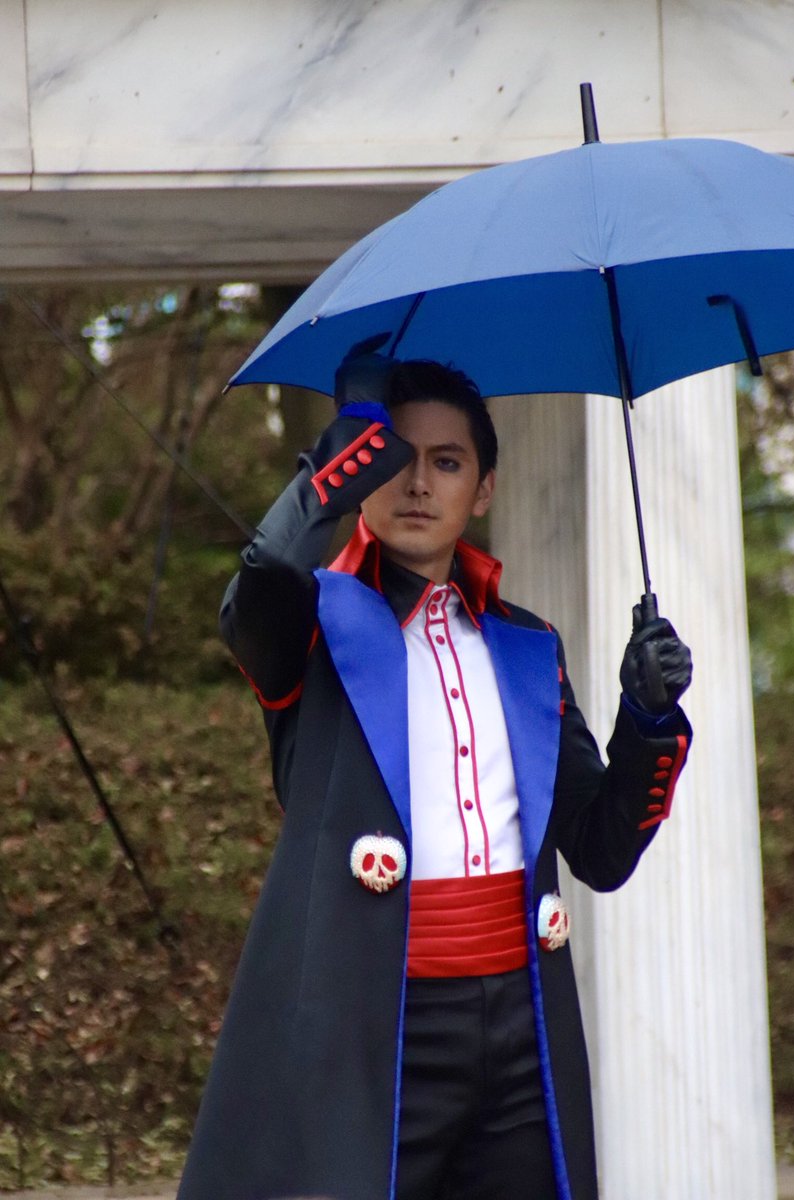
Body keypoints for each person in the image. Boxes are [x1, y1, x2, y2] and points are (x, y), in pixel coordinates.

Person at [176, 346, 692, 1200]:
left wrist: (645, 719)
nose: (417, 484)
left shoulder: (528, 646)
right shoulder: (313, 626)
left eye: (446, 463)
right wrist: (351, 436)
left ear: (483, 490)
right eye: (395, 459)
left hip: (521, 1027)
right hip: (375, 1026)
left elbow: (599, 851)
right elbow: (264, 576)